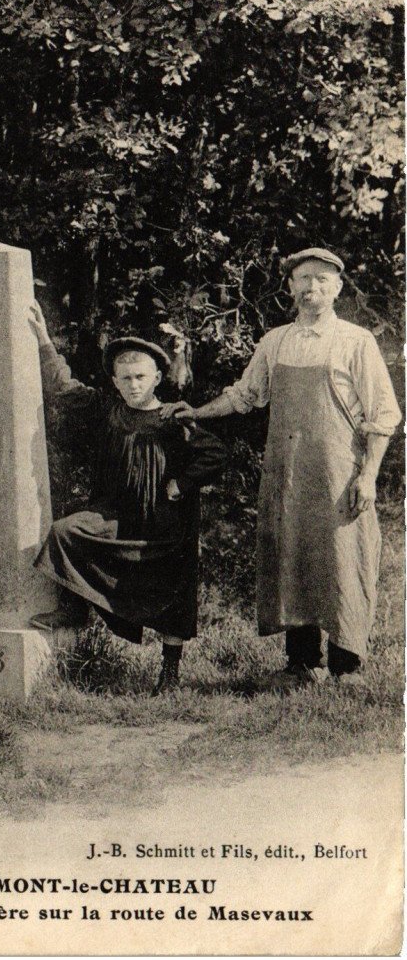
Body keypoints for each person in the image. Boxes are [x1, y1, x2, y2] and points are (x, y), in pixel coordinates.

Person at [167, 247, 401, 686]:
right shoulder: (275, 341)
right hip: (288, 474)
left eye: (321, 279)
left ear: (337, 288)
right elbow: (245, 396)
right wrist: (196, 413)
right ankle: (300, 665)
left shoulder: (356, 341)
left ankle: (346, 665)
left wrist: (367, 475)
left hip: (338, 475)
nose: (312, 287)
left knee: (342, 560)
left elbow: (384, 416)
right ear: (290, 287)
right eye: (303, 279)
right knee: (293, 559)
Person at [28, 302, 226, 693]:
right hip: (114, 514)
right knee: (65, 532)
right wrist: (44, 340)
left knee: (174, 590)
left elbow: (215, 453)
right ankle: (74, 608)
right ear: (115, 382)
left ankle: (169, 673)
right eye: (125, 378)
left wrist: (181, 485)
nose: (133, 385)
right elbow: (63, 386)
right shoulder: (107, 410)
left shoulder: (174, 418)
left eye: (140, 377)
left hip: (163, 523)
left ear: (156, 378)